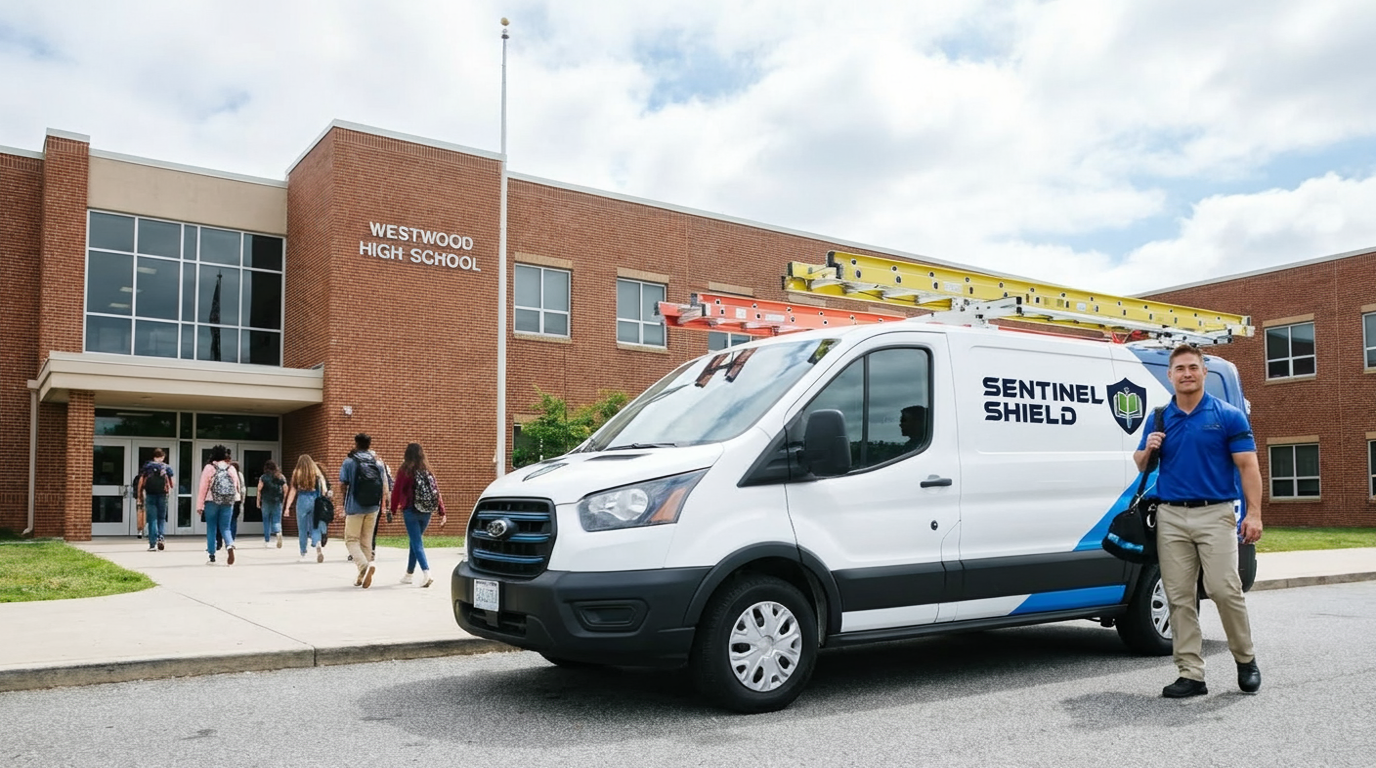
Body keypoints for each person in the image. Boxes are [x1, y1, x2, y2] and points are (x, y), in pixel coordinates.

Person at [1134, 343, 1263, 698]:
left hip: (1215, 513)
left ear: (1204, 372)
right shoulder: (1159, 417)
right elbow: (1142, 464)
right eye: (1180, 369)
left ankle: (1245, 659)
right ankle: (1191, 674)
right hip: (1171, 515)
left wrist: (1254, 513)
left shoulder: (1227, 415)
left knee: (1224, 590)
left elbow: (1248, 465)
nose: (1187, 374)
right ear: (1170, 375)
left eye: (1193, 367)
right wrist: (1149, 448)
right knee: (1178, 597)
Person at [389, 442, 447, 587]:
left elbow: (396, 491)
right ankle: (408, 574)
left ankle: (427, 573)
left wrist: (393, 509)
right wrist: (442, 512)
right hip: (427, 511)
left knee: (416, 542)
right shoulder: (427, 469)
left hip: (411, 510)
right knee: (414, 541)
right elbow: (436, 491)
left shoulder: (405, 470)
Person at [339, 433, 391, 588]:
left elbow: (343, 484)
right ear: (369, 444)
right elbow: (383, 485)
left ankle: (364, 566)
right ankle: (362, 576)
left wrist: (342, 503)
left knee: (351, 540)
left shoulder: (349, 462)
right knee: (366, 542)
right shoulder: (378, 463)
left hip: (355, 506)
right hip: (373, 507)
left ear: (356, 443)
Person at [197, 444, 242, 566]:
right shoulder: (231, 468)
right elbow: (236, 486)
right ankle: (229, 545)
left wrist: (200, 505)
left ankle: (212, 556)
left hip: (211, 501)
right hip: (228, 501)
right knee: (225, 527)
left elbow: (203, 487)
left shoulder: (209, 468)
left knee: (211, 527)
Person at [284, 454, 331, 563]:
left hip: (302, 499)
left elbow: (293, 491)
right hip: (315, 498)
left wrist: (287, 507)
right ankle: (317, 543)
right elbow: (324, 488)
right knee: (315, 525)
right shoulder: (316, 472)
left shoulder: (297, 473)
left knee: (302, 528)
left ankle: (303, 552)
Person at [137, 448, 175, 552]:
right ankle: (161, 537)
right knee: (161, 518)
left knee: (152, 519)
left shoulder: (147, 467)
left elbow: (141, 481)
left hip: (150, 494)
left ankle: (152, 544)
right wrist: (169, 491)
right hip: (162, 495)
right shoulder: (166, 467)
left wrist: (139, 493)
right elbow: (172, 483)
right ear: (163, 457)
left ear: (153, 457)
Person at [258, 459, 287, 549]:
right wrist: (284, 499)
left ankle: (267, 541)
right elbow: (285, 488)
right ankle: (278, 532)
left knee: (266, 521)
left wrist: (258, 501)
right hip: (277, 501)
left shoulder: (263, 477)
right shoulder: (280, 477)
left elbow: (259, 490)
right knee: (277, 520)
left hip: (266, 501)